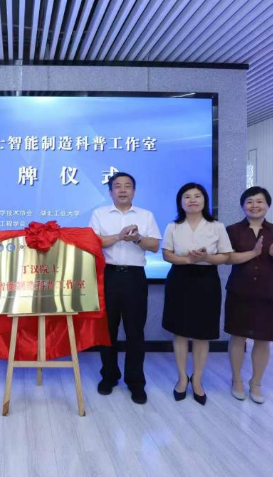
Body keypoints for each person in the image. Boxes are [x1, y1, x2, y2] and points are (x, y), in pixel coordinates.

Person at [89, 172, 161, 404]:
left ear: (134, 191)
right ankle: (109, 376)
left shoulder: (145, 215)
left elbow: (154, 245)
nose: (122, 190)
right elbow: (93, 243)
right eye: (117, 186)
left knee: (135, 332)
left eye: (127, 186)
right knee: (107, 331)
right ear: (110, 192)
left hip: (134, 278)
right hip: (108, 276)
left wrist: (137, 238)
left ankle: (135, 382)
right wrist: (119, 237)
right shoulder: (99, 214)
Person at [161, 182, 232, 405]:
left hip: (206, 281)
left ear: (204, 200)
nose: (192, 200)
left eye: (197, 196)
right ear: (180, 202)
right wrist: (188, 260)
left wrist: (205, 258)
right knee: (180, 332)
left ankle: (198, 380)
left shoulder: (217, 226)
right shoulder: (173, 226)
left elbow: (225, 256)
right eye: (187, 196)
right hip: (180, 279)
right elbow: (166, 255)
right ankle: (182, 378)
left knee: (202, 333)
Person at [225, 186, 273, 404]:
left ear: (268, 205)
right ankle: (236, 380)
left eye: (259, 201)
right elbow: (227, 258)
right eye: (249, 201)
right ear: (243, 206)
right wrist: (253, 253)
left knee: (264, 339)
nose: (254, 205)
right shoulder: (232, 230)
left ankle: (256, 382)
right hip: (239, 290)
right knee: (238, 337)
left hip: (268, 292)